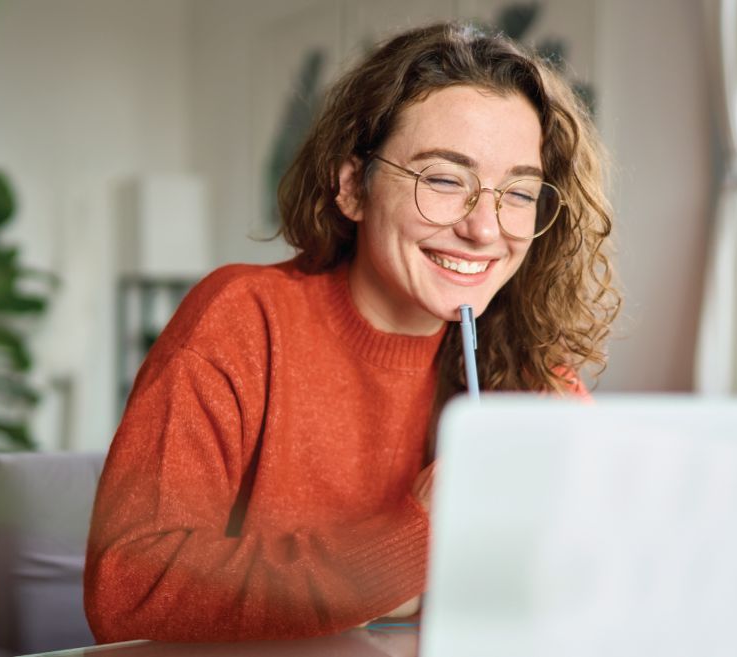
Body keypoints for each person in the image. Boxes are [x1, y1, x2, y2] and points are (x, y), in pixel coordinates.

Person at [84, 21, 619, 643]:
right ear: (351, 188)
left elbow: (597, 581)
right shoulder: (242, 320)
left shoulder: (529, 368)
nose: (484, 228)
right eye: (444, 179)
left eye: (519, 192)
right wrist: (415, 537)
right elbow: (129, 589)